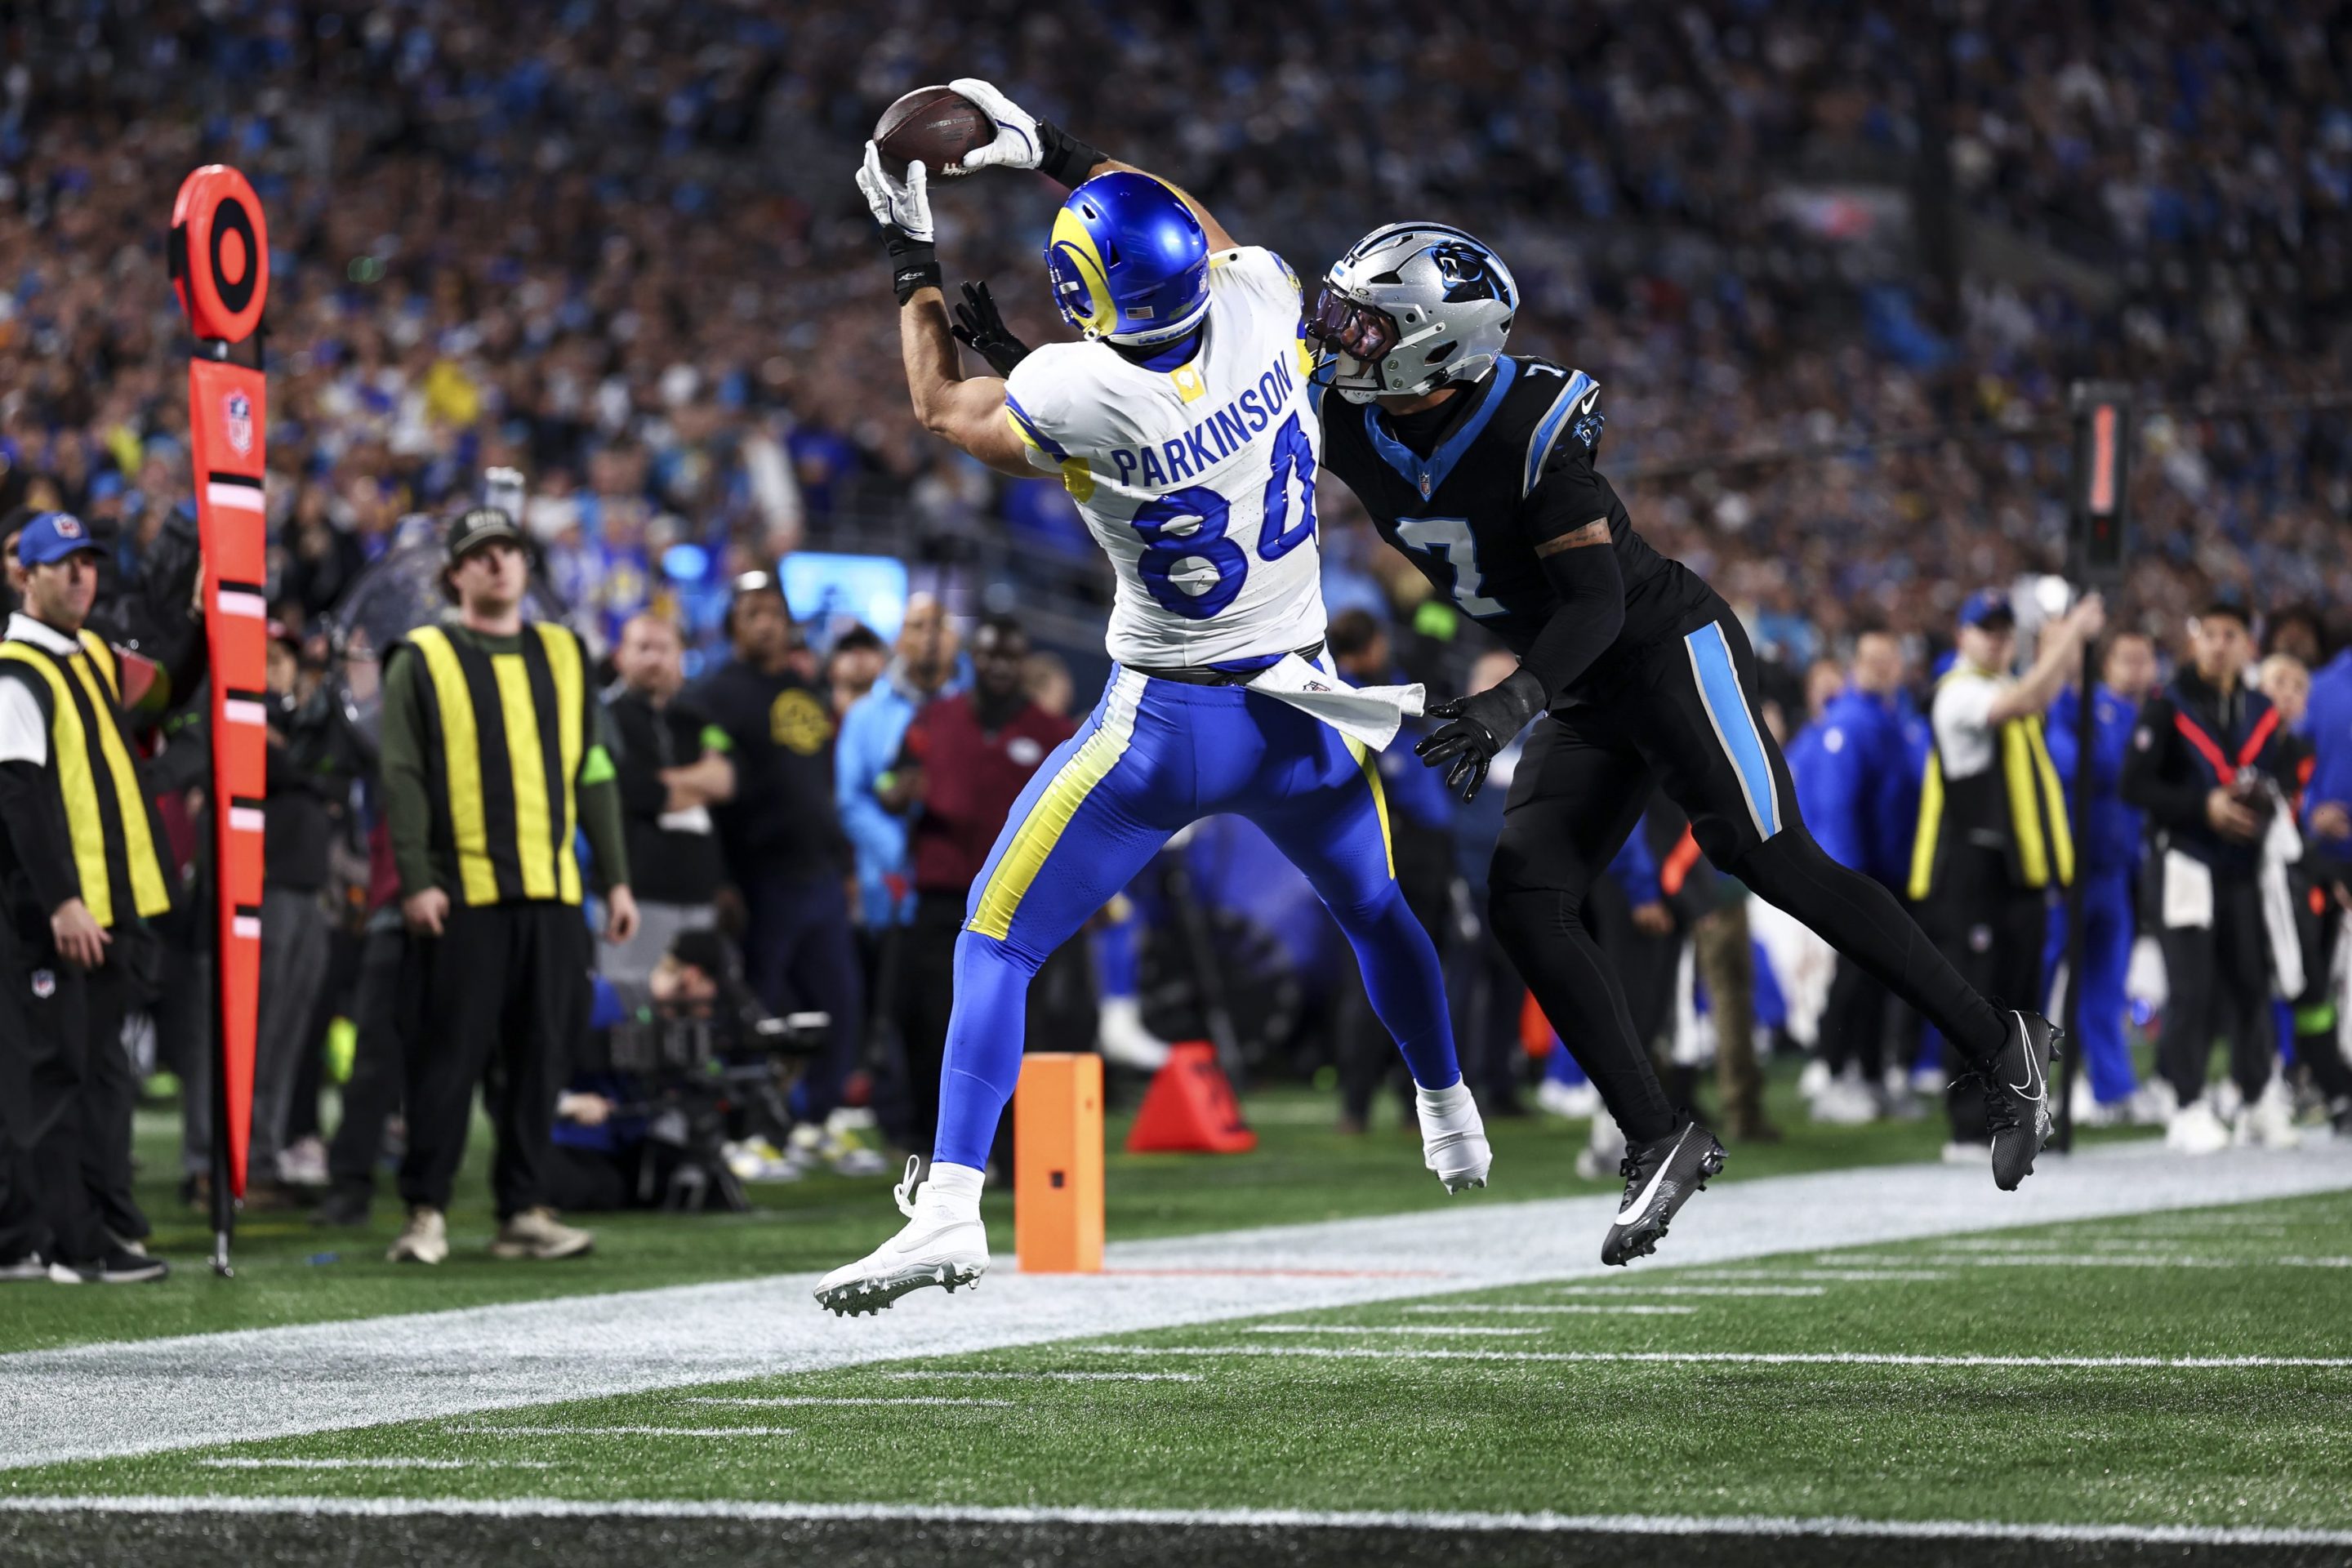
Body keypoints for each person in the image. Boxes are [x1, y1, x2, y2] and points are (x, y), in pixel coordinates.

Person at [821, 82, 1481, 1315]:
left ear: (1086, 302)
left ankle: (954, 1204)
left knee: (996, 937)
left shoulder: (1073, 388)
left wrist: (910, 247)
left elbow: (942, 408)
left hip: (1166, 726)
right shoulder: (1266, 299)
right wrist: (1051, 148)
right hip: (1301, 714)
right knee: (1377, 906)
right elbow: (1194, 225)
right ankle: (1451, 1117)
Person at [1305, 225, 2069, 1264]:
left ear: (1435, 345)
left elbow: (1597, 600)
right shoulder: (1344, 414)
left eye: (1365, 321)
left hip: (1662, 648)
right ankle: (1659, 1132)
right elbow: (1185, 426)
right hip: (1576, 685)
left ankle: (2002, 1045)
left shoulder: (1527, 427)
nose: (1336, 335)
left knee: (1767, 856)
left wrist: (1513, 701)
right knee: (1527, 900)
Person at [377, 506, 639, 1264]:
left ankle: (522, 1208)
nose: (498, 563)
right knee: (445, 1059)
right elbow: (402, 775)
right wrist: (418, 879)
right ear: (454, 574)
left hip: (555, 893)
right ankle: (424, 1210)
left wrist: (615, 879)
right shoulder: (421, 656)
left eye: (509, 550)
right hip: (462, 897)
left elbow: (592, 770)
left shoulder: (565, 654)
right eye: (480, 553)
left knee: (541, 1061)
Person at [0, 513, 172, 1282]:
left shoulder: (92, 655)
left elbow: (158, 704)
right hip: (58, 916)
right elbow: (20, 796)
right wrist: (63, 900)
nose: (80, 576)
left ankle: (98, 1222)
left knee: (100, 1071)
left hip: (113, 905)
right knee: (58, 1076)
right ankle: (68, 1243)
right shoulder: (15, 669)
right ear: (22, 574)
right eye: (61, 563)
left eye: (88, 563)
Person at [1909, 589, 2103, 1154]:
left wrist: (2068, 641)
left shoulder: (1997, 683)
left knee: (2020, 1001)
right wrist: (2071, 638)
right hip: (1971, 870)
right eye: (1985, 629)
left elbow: (2038, 692)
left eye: (2002, 630)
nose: (1996, 639)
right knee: (1976, 998)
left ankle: (2015, 1117)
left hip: (2016, 869)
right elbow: (2024, 701)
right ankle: (1968, 1125)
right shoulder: (1959, 693)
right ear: (1962, 636)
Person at [690, 572, 866, 1152]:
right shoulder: (714, 694)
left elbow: (822, 786)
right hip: (759, 877)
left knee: (839, 1001)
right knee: (759, 1010)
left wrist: (843, 865)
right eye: (752, 613)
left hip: (818, 872)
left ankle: (815, 1117)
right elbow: (709, 802)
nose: (766, 623)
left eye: (774, 611)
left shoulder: (807, 690)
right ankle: (752, 1125)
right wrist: (719, 879)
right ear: (733, 626)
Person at [891, 615, 1077, 1162]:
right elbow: (892, 781)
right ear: (974, 656)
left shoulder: (1051, 731)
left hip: (1018, 902)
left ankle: (1015, 1149)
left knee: (1017, 1023)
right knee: (931, 1020)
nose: (998, 665)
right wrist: (896, 792)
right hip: (942, 892)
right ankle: (933, 1143)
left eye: (1009, 655)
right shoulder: (934, 717)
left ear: (1023, 662)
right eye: (990, 654)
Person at [2121, 602, 2299, 1152]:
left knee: (2249, 985)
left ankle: (2255, 1099)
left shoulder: (2261, 710)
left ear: (2248, 645)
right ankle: (2187, 1103)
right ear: (2196, 641)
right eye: (2210, 633)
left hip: (2243, 868)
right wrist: (2204, 806)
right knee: (2191, 988)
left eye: (2231, 634)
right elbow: (2134, 785)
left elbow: (2281, 778)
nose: (2219, 644)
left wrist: (2261, 806)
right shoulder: (2166, 705)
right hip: (2185, 863)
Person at [1801, 630, 1920, 1123]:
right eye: (1873, 659)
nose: (1882, 667)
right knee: (1852, 977)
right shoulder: (1849, 722)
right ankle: (1831, 1074)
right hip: (1862, 876)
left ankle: (1870, 1076)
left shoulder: (1892, 718)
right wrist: (1849, 879)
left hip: (1890, 873)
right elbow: (1838, 807)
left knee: (1878, 979)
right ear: (1857, 663)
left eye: (1890, 658)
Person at [2041, 630, 2159, 1126]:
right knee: (2037, 987)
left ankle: (2113, 1089)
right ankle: (2017, 1092)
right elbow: (2076, 764)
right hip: (2064, 872)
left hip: (2114, 870)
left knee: (2106, 989)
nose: (2135, 669)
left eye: (2143, 659)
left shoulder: (2141, 715)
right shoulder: (2065, 708)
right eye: (2124, 659)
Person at [603, 612, 733, 987]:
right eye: (642, 648)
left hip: (697, 895)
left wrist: (665, 784)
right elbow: (634, 790)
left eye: (663, 648)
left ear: (680, 656)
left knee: (694, 1013)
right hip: (633, 895)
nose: (653, 659)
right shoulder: (604, 717)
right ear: (620, 656)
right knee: (628, 1013)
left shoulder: (697, 718)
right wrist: (697, 784)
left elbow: (726, 781)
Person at [839, 595, 964, 942]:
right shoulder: (864, 716)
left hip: (962, 891)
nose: (929, 637)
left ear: (956, 639)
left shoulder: (974, 716)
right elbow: (851, 801)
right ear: (899, 640)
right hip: (888, 893)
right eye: (917, 626)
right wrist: (906, 856)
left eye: (939, 625)